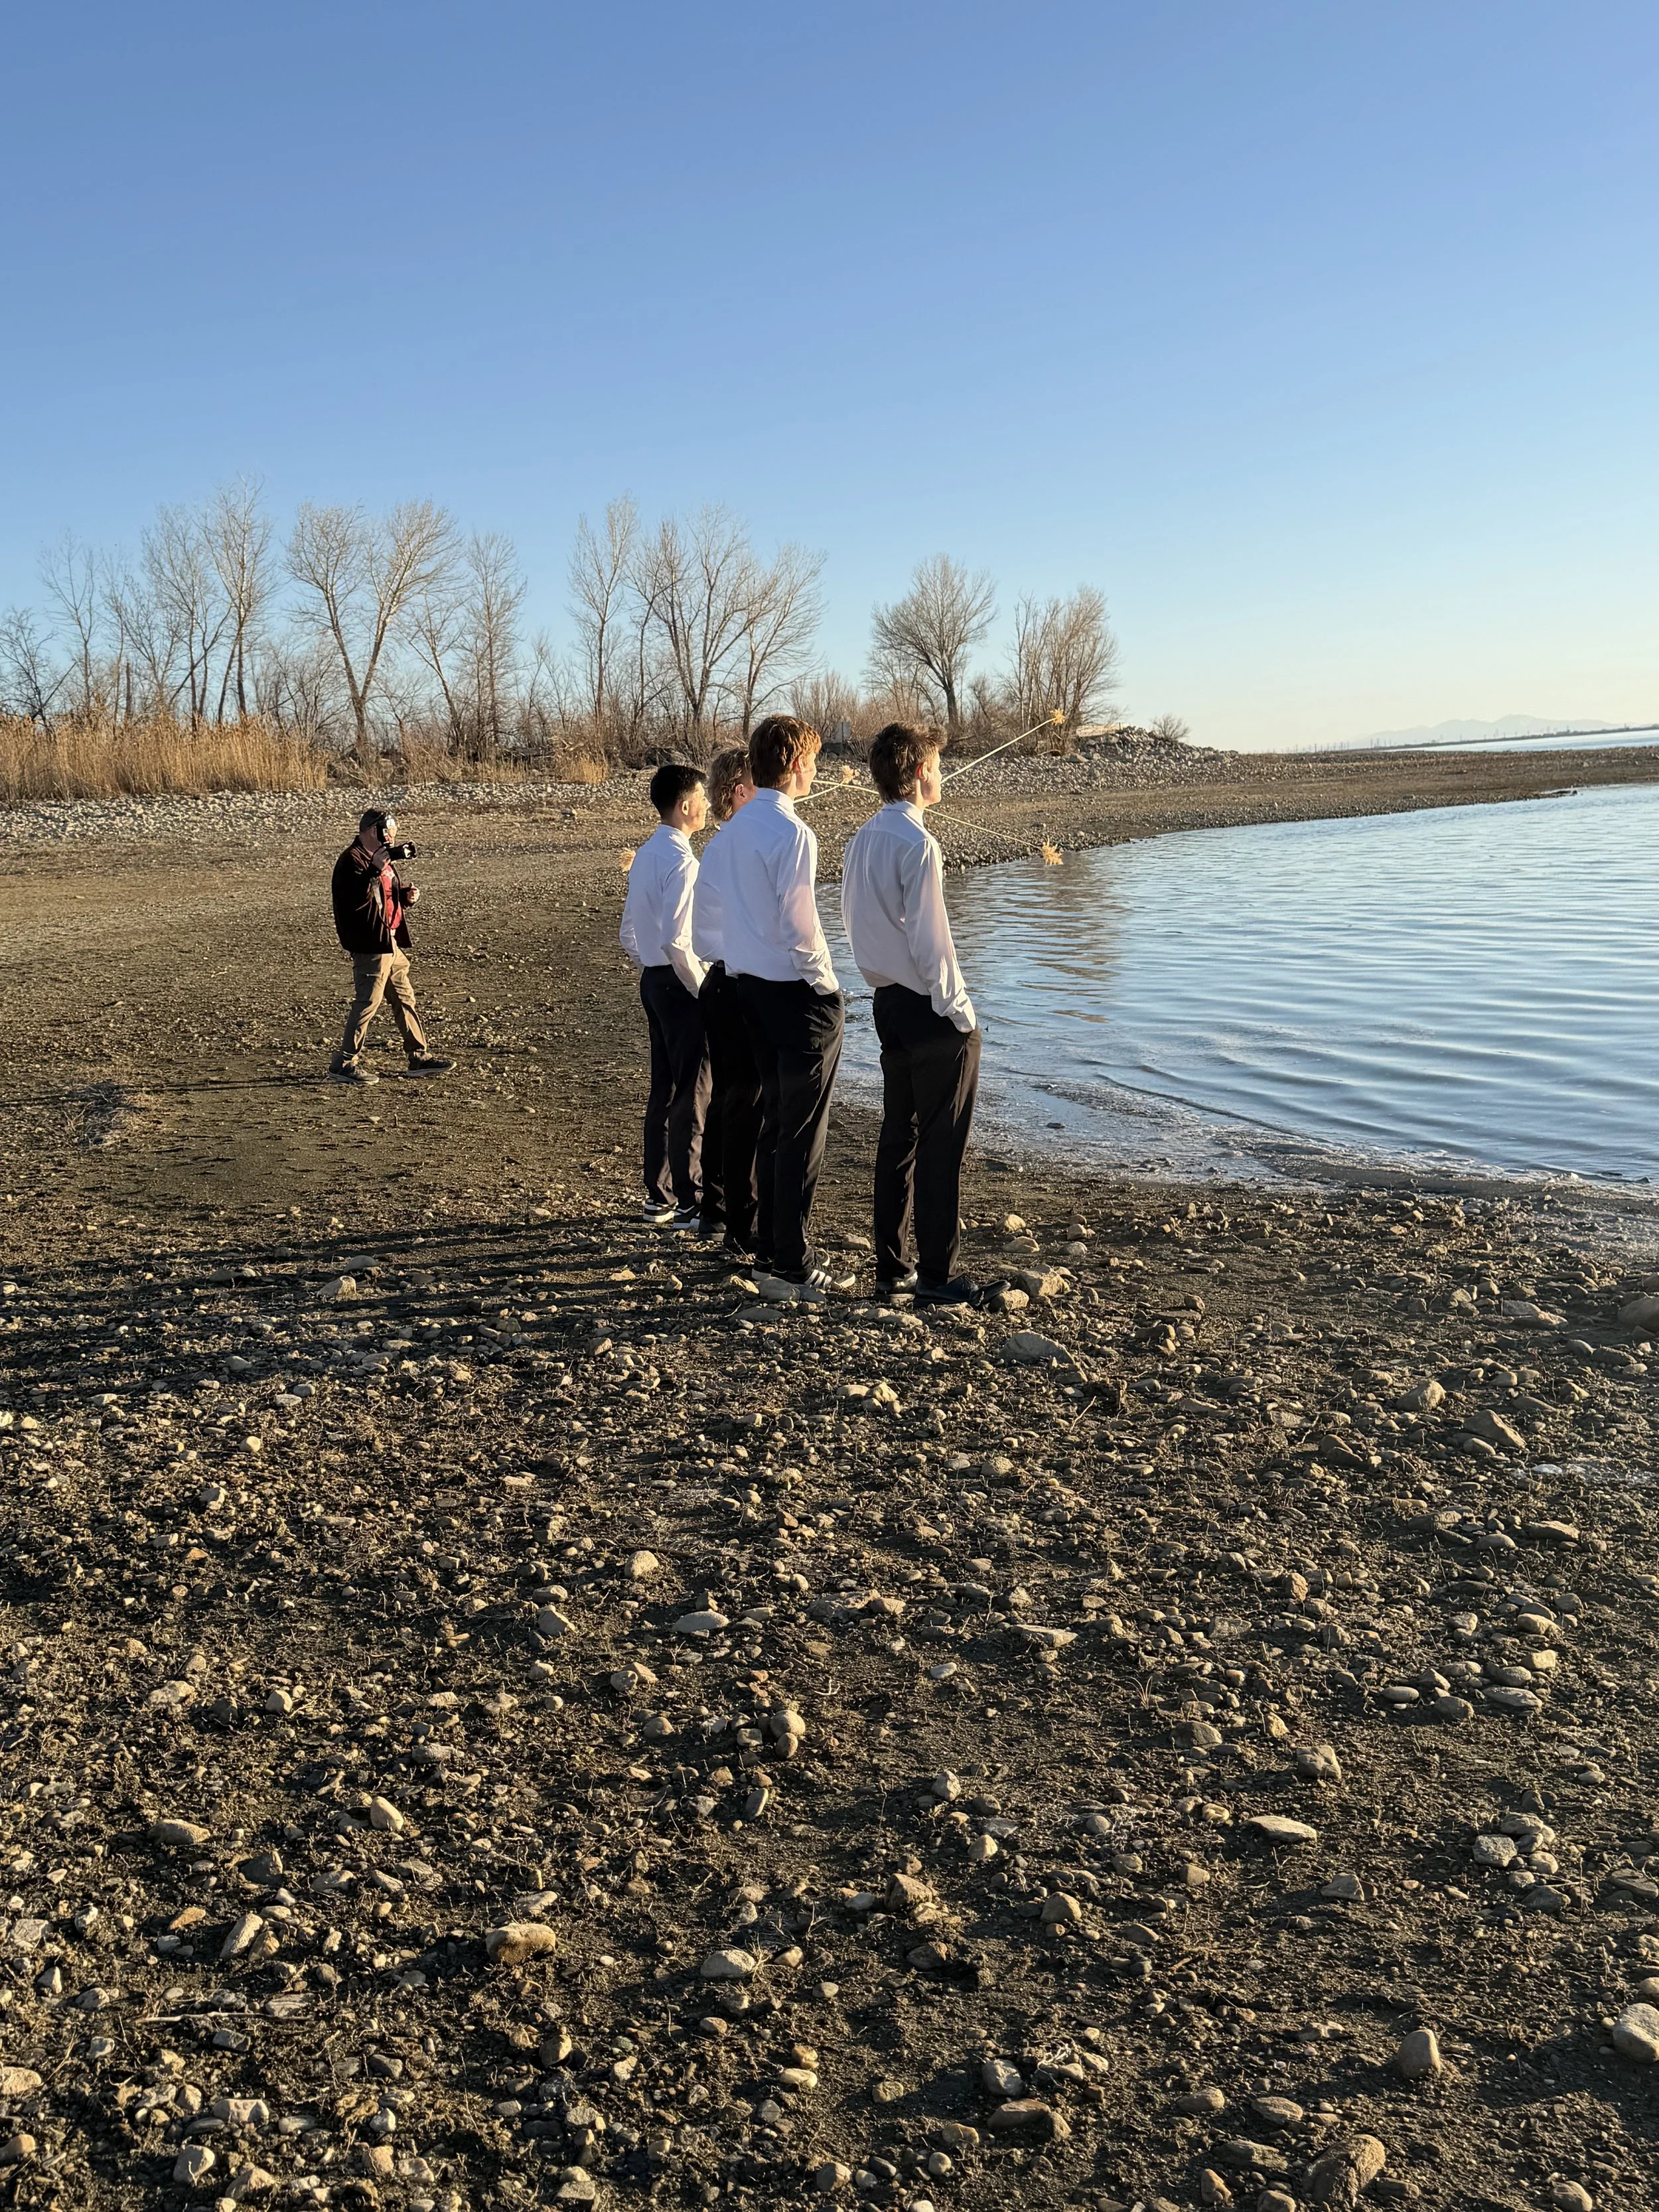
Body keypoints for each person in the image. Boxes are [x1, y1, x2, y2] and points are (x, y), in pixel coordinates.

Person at [841, 722, 982, 1306]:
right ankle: (936, 1275)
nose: (942, 775)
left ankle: (891, 1267)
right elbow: (932, 944)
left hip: (886, 1003)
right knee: (940, 1143)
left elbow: (854, 924)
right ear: (921, 771)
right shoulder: (918, 845)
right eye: (938, 765)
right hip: (926, 1007)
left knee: (898, 1137)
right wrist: (961, 1013)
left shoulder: (860, 839)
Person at [720, 713, 843, 1296]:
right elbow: (802, 928)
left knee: (775, 1125)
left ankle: (771, 1248)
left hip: (749, 990)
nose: (816, 770)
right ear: (795, 765)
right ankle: (790, 1257)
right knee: (800, 1132)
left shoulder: (735, 830)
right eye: (813, 761)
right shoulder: (793, 833)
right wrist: (828, 986)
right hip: (795, 995)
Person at [619, 762, 711, 1226]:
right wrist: (703, 990)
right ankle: (691, 1200)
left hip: (655, 980)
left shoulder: (645, 854)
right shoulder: (683, 863)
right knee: (691, 1092)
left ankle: (659, 1194)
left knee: (665, 1088)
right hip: (679, 983)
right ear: (685, 805)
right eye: (703, 797)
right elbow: (680, 940)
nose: (709, 805)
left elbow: (629, 933)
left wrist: (651, 968)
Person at [691, 745, 764, 1258]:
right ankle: (739, 1224)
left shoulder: (726, 847)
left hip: (728, 981)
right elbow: (706, 937)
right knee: (744, 1104)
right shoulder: (730, 848)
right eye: (761, 782)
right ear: (740, 791)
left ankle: (718, 1210)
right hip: (731, 984)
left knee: (730, 1100)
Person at [329, 809, 451, 1086]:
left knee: (404, 997)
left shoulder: (377, 859)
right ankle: (344, 1063)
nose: (392, 839)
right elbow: (356, 901)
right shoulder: (352, 860)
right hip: (370, 944)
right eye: (388, 833)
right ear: (373, 831)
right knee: (367, 1002)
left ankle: (418, 1056)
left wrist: (405, 895)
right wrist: (374, 868)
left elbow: (382, 894)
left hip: (389, 941)